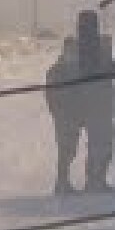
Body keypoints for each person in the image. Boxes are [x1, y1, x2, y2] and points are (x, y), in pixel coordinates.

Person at [76, 10, 114, 194]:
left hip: (87, 104)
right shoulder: (101, 46)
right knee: (102, 144)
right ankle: (96, 181)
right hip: (101, 104)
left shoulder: (78, 48)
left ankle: (94, 181)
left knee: (94, 144)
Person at [44, 37, 85, 195]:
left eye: (74, 50)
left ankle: (63, 182)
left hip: (74, 115)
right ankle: (61, 183)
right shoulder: (56, 71)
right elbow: (51, 94)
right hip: (63, 115)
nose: (73, 53)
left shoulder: (77, 69)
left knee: (71, 149)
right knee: (65, 149)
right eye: (70, 50)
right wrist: (57, 112)